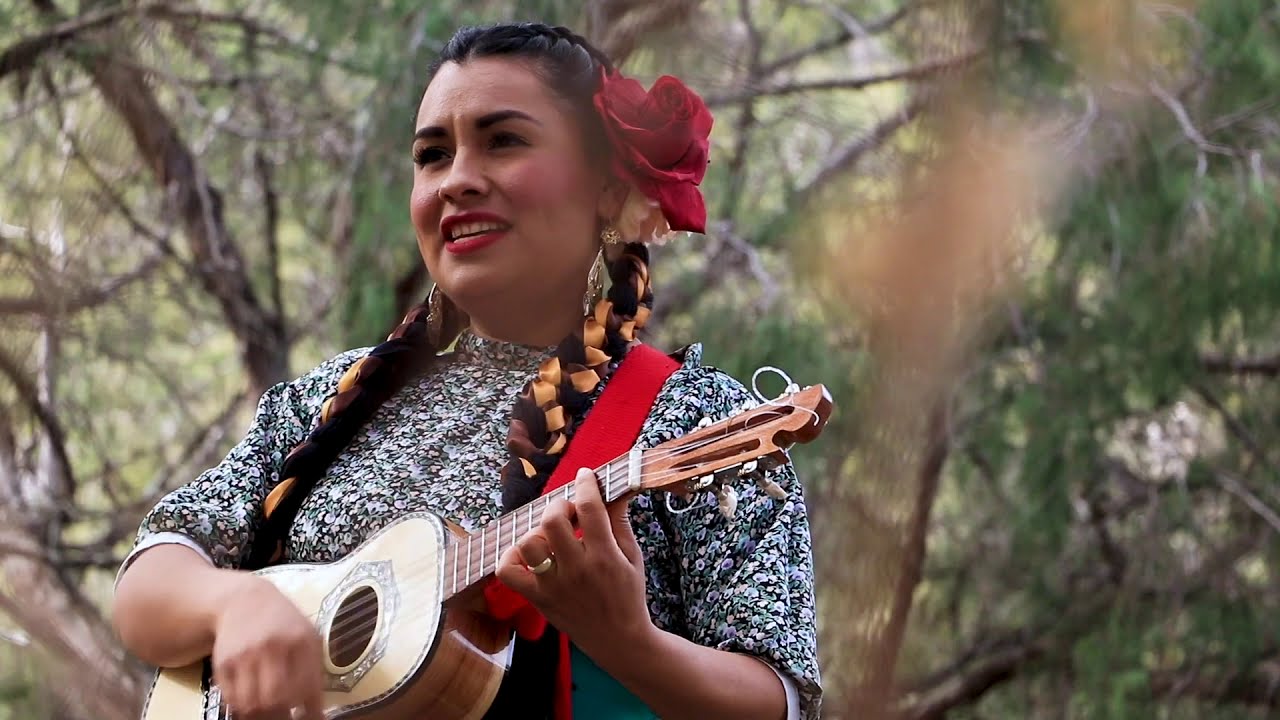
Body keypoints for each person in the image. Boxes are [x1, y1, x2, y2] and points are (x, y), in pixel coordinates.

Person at [111, 21, 821, 720]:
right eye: (432, 154)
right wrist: (237, 603)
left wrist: (627, 642)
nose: (457, 180)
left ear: (608, 189)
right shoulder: (327, 400)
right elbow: (150, 582)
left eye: (503, 141)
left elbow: (780, 701)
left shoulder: (691, 419)